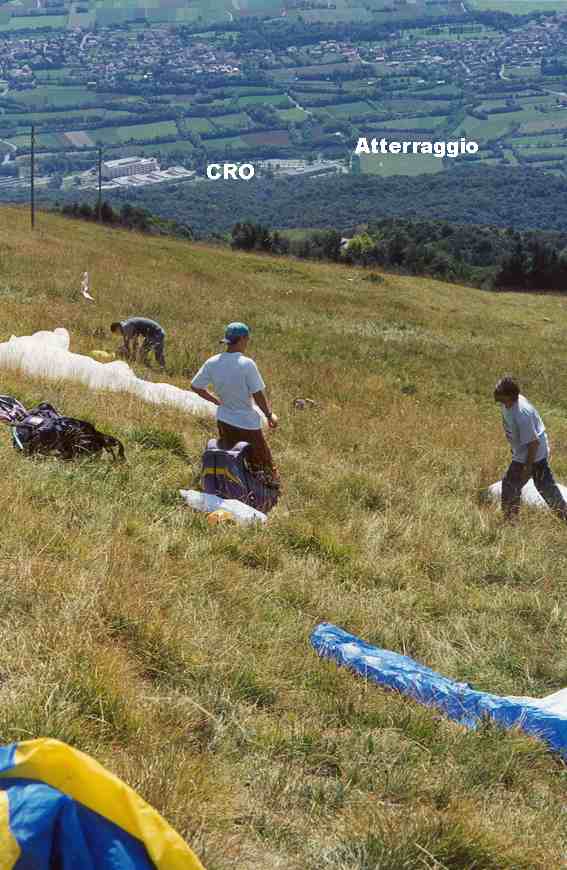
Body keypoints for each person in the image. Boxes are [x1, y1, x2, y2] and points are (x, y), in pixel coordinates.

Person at [190, 322, 280, 487]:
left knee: (233, 457)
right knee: (262, 463)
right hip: (247, 423)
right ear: (243, 339)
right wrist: (269, 415)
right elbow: (258, 394)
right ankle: (269, 490)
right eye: (247, 339)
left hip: (224, 420)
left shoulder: (213, 361)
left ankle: (233, 485)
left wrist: (216, 401)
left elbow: (195, 386)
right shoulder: (246, 364)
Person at [494, 375, 567, 522]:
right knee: (544, 486)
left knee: (512, 485)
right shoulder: (507, 403)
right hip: (524, 451)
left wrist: (528, 467)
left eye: (499, 392)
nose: (495, 393)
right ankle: (511, 520)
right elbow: (508, 422)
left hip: (534, 454)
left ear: (509, 396)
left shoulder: (522, 413)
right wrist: (513, 445)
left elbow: (533, 443)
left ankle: (510, 522)